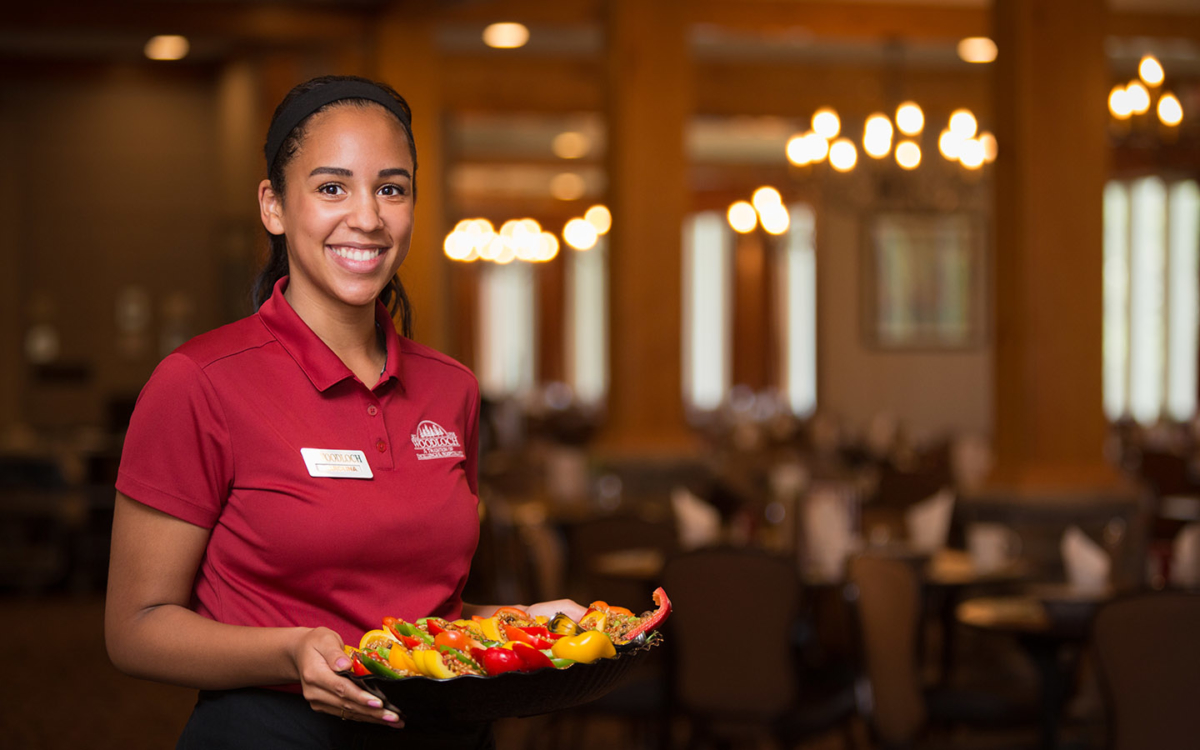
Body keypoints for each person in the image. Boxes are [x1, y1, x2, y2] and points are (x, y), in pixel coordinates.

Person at [105, 75, 585, 749]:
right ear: (274, 206)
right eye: (332, 187)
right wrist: (289, 652)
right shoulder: (198, 383)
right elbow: (136, 628)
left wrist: (525, 621)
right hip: (272, 732)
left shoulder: (453, 390)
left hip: (446, 733)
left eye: (391, 188)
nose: (367, 216)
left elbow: (425, 616)